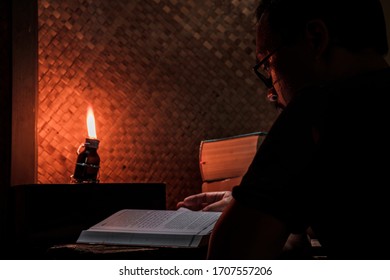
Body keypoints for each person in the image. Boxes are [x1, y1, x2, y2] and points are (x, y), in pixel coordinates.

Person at [178, 0, 390, 259]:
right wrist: (270, 202)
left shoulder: (317, 108)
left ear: (315, 38)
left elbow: (228, 260)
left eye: (268, 63)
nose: (272, 92)